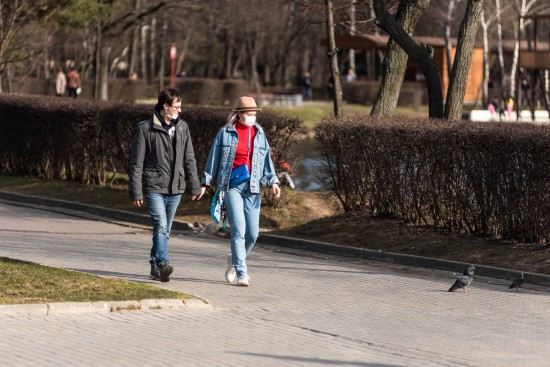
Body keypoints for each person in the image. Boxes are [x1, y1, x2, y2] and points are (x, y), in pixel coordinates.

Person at [201, 96, 281, 287]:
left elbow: (267, 163)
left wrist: (273, 182)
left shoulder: (259, 133)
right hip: (232, 186)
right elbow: (213, 159)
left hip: (253, 187)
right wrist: (205, 182)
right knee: (239, 230)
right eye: (249, 114)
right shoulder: (225, 134)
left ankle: (235, 260)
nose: (252, 117)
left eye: (254, 114)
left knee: (253, 234)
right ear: (239, 114)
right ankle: (242, 273)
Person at [129, 88, 205, 282]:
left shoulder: (182, 128)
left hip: (175, 187)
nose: (180, 110)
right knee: (161, 225)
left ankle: (155, 265)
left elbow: (189, 158)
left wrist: (195, 186)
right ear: (165, 106)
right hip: (154, 186)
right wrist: (136, 191)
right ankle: (163, 263)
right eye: (177, 107)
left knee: (165, 229)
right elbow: (136, 163)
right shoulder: (145, 128)